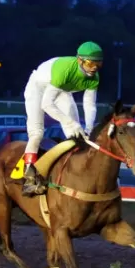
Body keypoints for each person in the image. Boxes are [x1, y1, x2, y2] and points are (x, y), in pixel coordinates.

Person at [21, 42, 103, 197]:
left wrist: (89, 128)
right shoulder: (65, 71)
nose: (94, 67)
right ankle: (29, 177)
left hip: (60, 89)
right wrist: (70, 122)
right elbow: (46, 104)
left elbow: (90, 105)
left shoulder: (94, 77)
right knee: (37, 133)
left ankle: (74, 172)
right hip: (38, 88)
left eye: (98, 63)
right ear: (80, 60)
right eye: (91, 63)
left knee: (78, 133)